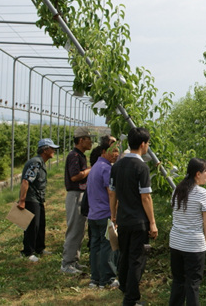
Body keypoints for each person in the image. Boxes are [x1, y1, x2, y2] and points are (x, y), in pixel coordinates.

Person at [109, 127, 158, 306]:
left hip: (123, 219)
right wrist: (152, 223)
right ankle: (131, 299)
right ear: (143, 144)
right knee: (137, 259)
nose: (148, 146)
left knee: (125, 255)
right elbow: (146, 197)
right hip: (139, 222)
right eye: (148, 143)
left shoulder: (117, 166)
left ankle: (125, 288)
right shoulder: (141, 167)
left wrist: (113, 216)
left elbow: (112, 193)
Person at [169, 158, 206, 306]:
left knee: (178, 281)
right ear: (198, 174)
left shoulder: (177, 190)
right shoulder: (202, 193)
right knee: (193, 283)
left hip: (175, 243)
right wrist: (205, 239)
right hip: (194, 244)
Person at [18, 138, 59, 262]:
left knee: (40, 224)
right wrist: (22, 200)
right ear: (45, 150)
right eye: (52, 148)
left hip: (38, 198)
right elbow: (26, 181)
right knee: (32, 226)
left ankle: (39, 248)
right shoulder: (35, 163)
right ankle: (27, 252)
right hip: (31, 199)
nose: (54, 151)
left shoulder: (40, 162)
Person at [87, 139, 120, 289]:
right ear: (103, 152)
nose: (116, 154)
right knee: (108, 246)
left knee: (95, 247)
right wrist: (114, 215)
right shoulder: (107, 169)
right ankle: (107, 279)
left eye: (117, 151)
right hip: (105, 214)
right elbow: (111, 193)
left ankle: (95, 279)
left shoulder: (94, 167)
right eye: (113, 151)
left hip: (93, 215)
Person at [61, 126, 94, 274]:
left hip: (79, 194)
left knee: (79, 229)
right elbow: (75, 176)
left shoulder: (80, 155)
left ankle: (74, 261)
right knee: (74, 229)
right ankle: (67, 264)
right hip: (75, 195)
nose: (91, 142)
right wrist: (90, 170)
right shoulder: (74, 156)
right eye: (89, 139)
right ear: (81, 140)